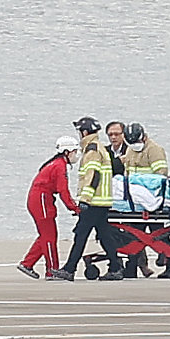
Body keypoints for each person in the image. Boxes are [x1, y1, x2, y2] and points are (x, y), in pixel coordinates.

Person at [52, 116, 122, 281]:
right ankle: (116, 267)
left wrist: (84, 199)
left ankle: (69, 269)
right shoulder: (99, 148)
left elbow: (93, 176)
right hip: (102, 202)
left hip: (94, 202)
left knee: (81, 235)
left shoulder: (92, 150)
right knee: (105, 236)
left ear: (84, 132)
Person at [18, 136, 82, 280]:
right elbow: (63, 191)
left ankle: (28, 263)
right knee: (49, 237)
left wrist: (72, 206)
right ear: (67, 151)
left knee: (46, 235)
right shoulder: (60, 166)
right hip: (42, 201)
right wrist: (75, 208)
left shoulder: (55, 164)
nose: (76, 154)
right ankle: (52, 270)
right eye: (75, 151)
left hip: (39, 200)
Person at [123, 122, 168, 277]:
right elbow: (127, 174)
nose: (135, 145)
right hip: (135, 203)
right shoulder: (130, 149)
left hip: (153, 200)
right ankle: (133, 267)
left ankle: (167, 260)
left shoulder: (154, 150)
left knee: (159, 235)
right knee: (134, 236)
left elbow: (161, 175)